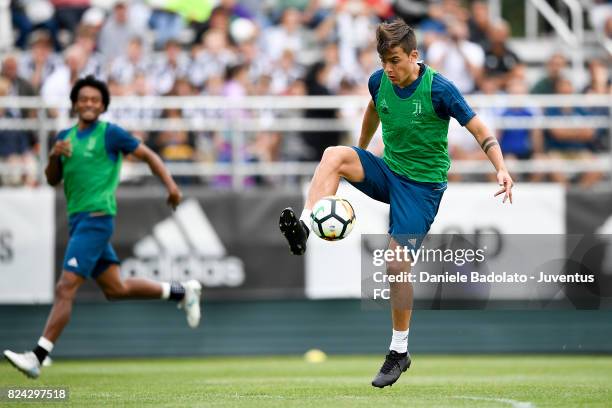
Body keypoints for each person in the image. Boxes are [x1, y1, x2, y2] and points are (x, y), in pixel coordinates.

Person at [278, 19, 513, 388]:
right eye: (383, 60)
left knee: (395, 261)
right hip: (389, 170)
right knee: (334, 155)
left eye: (395, 60)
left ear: (414, 56)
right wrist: (361, 147)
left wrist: (501, 169)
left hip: (422, 189)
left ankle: (399, 351)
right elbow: (374, 109)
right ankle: (306, 227)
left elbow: (480, 130)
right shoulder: (379, 80)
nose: (389, 68)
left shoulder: (440, 89)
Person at [3, 76, 202, 379]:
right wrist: (55, 155)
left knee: (65, 287)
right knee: (116, 288)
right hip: (78, 221)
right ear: (74, 103)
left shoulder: (110, 134)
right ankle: (181, 292)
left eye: (95, 100)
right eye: (84, 99)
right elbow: (52, 179)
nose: (89, 104)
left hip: (97, 219)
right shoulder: (65, 137)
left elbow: (148, 155)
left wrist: (172, 187)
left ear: (104, 105)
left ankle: (38, 356)